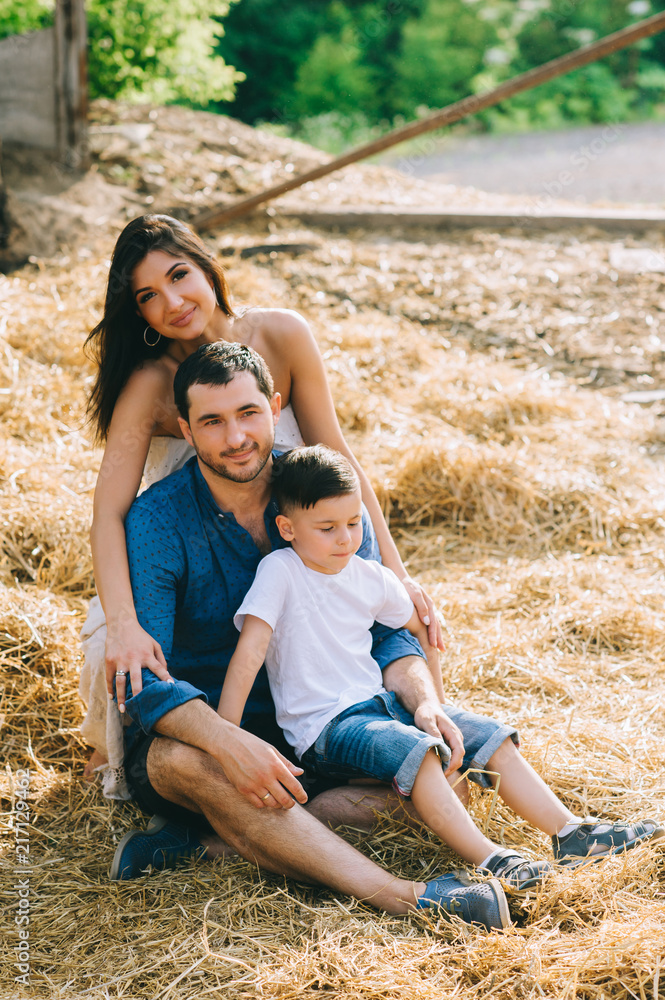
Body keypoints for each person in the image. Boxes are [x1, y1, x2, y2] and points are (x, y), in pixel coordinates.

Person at [110, 343, 663, 929]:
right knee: (186, 761)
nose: (237, 436)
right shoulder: (157, 520)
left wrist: (424, 703)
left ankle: (203, 847)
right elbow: (148, 681)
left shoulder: (322, 488)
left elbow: (388, 634)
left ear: (274, 407)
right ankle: (408, 895)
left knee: (447, 779)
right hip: (211, 731)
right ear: (186, 431)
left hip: (329, 723)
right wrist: (229, 741)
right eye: (213, 422)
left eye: (248, 413)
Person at [78, 213, 444, 800]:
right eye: (149, 296)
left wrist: (394, 574)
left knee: (411, 624)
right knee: (136, 664)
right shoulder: (149, 381)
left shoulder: (281, 334)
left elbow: (340, 460)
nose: (172, 302)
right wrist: (121, 619)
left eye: (180, 275)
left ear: (208, 267)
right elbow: (108, 511)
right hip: (193, 540)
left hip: (291, 522)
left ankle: (422, 753)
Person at [218, 444, 665, 884]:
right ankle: (492, 860)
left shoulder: (370, 576)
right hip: (326, 728)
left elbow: (420, 625)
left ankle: (570, 833)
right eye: (327, 527)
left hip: (384, 705)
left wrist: (436, 704)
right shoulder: (281, 571)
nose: (345, 539)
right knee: (421, 753)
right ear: (288, 527)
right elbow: (250, 655)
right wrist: (226, 740)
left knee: (489, 737)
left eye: (354, 523)